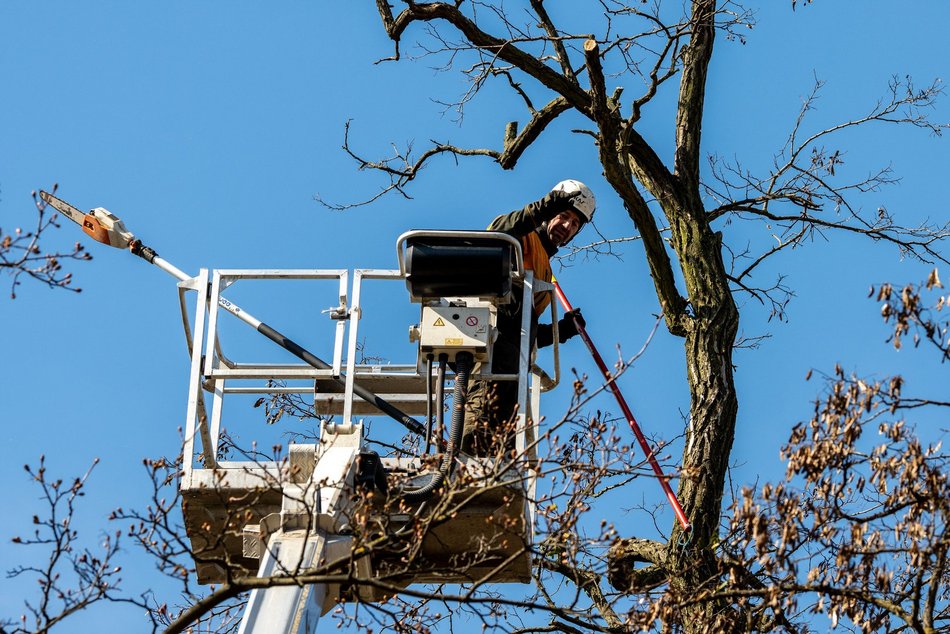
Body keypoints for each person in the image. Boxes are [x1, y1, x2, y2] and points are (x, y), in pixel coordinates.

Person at [461, 180, 596, 456]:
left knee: (502, 448)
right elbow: (499, 233)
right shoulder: (521, 234)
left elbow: (526, 330)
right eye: (564, 216)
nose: (567, 226)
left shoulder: (545, 266)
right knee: (476, 429)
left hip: (513, 361)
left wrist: (562, 330)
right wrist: (543, 207)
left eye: (575, 224)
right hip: (489, 345)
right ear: (549, 211)